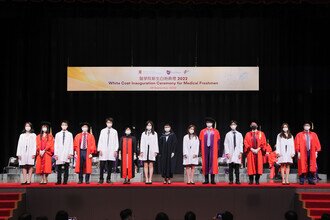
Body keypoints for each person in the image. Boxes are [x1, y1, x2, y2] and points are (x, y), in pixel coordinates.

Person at [97, 117, 119, 184]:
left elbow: (116, 141)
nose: (109, 124)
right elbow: (100, 140)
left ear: (112, 123)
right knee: (102, 165)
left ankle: (108, 179)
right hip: (103, 150)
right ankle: (101, 179)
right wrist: (99, 149)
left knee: (110, 166)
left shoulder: (115, 131)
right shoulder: (102, 131)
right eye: (108, 122)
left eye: (110, 122)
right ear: (106, 123)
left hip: (111, 150)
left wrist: (115, 150)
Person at [199, 117, 220, 184]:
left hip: (213, 150)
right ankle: (206, 180)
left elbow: (218, 141)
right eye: (207, 123)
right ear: (206, 123)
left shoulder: (216, 131)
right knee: (205, 163)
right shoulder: (202, 131)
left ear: (212, 124)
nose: (208, 124)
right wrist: (200, 150)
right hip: (205, 149)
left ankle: (212, 180)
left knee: (212, 164)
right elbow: (200, 141)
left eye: (210, 123)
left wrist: (217, 150)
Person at [54, 120, 73, 185]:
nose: (64, 126)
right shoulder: (57, 134)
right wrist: (55, 154)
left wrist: (70, 153)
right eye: (63, 125)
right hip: (59, 153)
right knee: (58, 168)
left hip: (67, 153)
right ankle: (59, 180)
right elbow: (55, 144)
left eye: (65, 125)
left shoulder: (70, 134)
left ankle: (65, 181)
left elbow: (71, 144)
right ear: (61, 126)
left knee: (66, 168)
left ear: (67, 126)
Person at [224, 120, 243, 184]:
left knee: (237, 168)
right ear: (230, 126)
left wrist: (240, 152)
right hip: (230, 153)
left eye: (234, 124)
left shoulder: (239, 134)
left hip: (237, 153)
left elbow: (241, 144)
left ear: (236, 126)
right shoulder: (228, 134)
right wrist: (227, 153)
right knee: (230, 168)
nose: (233, 126)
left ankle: (237, 180)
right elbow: (225, 144)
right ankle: (231, 180)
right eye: (232, 125)